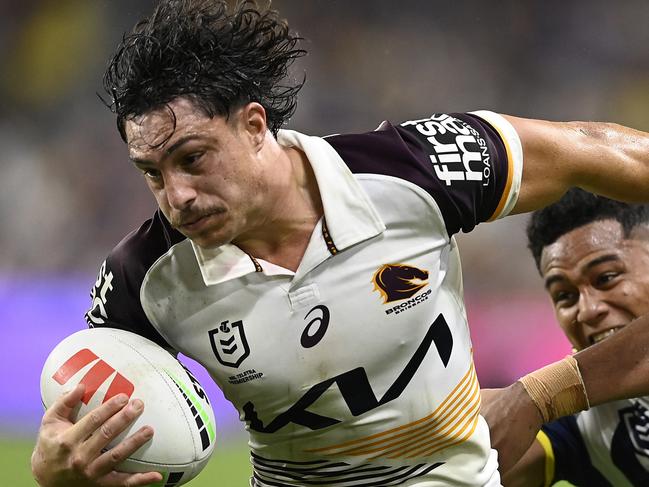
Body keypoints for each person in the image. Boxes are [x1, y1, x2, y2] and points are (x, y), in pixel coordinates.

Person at [27, 1, 649, 486]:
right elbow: (94, 424)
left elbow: (588, 150)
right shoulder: (143, 278)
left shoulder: (411, 169)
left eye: (193, 158)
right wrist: (57, 470)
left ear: (253, 125)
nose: (178, 195)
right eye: (153, 173)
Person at [502, 189, 649, 487]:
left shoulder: (545, 397)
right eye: (564, 296)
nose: (587, 310)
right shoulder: (578, 422)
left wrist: (541, 393)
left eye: (606, 278)